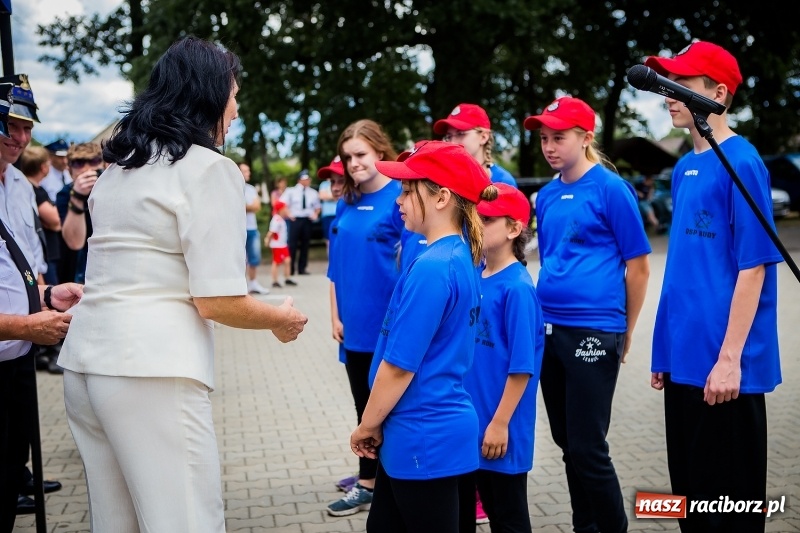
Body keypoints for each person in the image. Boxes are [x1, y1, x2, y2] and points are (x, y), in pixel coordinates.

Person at [57, 36, 308, 532]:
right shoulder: (208, 170)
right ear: (211, 95)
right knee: (187, 520)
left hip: (86, 365)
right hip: (152, 371)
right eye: (234, 95)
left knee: (117, 523)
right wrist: (280, 319)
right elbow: (216, 300)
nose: (237, 109)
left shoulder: (118, 170)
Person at [644, 41, 782, 533]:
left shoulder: (742, 162)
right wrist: (662, 349)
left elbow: (755, 268)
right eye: (666, 83)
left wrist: (729, 359)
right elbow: (682, 269)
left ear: (717, 93)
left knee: (730, 509)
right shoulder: (683, 169)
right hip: (683, 363)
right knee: (691, 505)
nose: (667, 93)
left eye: (681, 83)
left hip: (724, 367)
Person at [349, 140, 496, 533]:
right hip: (428, 432)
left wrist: (367, 424)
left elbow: (399, 366)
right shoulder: (455, 254)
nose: (398, 199)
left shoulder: (433, 267)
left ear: (442, 197)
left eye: (408, 189)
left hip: (424, 435)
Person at [524, 95, 651, 533]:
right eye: (544, 138)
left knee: (588, 447)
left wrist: (627, 330)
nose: (549, 146)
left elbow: (638, 267)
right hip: (549, 329)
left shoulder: (611, 189)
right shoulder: (547, 195)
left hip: (596, 329)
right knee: (568, 445)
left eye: (559, 137)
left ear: (585, 137)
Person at [0, 75, 75, 532]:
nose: (22, 138)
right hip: (14, 342)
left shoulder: (20, 185)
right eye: (10, 125)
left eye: (28, 127)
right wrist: (27, 326)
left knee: (11, 473)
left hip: (17, 362)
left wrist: (49, 295)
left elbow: (22, 266)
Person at [325, 119, 403, 516]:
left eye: (361, 155)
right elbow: (336, 269)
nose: (354, 164)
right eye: (348, 157)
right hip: (352, 327)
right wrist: (335, 315)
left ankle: (381, 485)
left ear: (380, 153)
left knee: (389, 411)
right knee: (363, 407)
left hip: (388, 329)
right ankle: (370, 482)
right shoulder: (346, 202)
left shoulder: (401, 199)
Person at [464, 183, 544, 532]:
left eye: (488, 219)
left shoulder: (518, 287)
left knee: (509, 519)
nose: (477, 224)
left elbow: (522, 368)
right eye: (475, 217)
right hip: (472, 423)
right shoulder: (476, 276)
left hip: (501, 428)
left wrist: (499, 424)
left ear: (514, 228)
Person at [20, 146, 65, 374]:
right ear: (44, 167)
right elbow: (55, 221)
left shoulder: (23, 187)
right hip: (42, 259)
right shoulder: (35, 191)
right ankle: (46, 351)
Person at [434, 103, 517, 187]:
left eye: (461, 134)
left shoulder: (503, 182)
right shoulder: (442, 178)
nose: (452, 142)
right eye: (449, 136)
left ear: (483, 137)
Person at [55, 142, 104, 285]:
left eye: (94, 161)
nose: (87, 168)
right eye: (79, 163)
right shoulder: (65, 194)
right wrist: (78, 196)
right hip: (80, 264)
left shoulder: (113, 188)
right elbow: (75, 242)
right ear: (70, 169)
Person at [280, 169, 320, 275]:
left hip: (307, 219)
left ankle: (302, 268)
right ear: (299, 180)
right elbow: (282, 203)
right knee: (292, 244)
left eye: (308, 179)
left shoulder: (313, 193)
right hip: (295, 219)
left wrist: (315, 214)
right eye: (304, 179)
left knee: (305, 244)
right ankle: (291, 269)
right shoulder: (291, 191)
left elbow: (317, 207)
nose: (307, 181)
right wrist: (289, 214)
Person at [241, 162, 270, 294]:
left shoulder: (251, 188)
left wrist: (242, 206)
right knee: (240, 260)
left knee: (254, 257)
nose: (249, 173)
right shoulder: (231, 186)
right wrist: (248, 206)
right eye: (245, 171)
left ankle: (253, 284)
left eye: (248, 171)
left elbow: (257, 207)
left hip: (252, 228)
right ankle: (242, 286)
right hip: (238, 230)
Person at [265, 200, 296, 288]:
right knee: (276, 262)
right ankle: (274, 280)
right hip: (277, 245)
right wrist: (267, 239)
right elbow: (272, 232)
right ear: (280, 209)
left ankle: (287, 278)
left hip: (283, 244)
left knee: (287, 260)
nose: (287, 209)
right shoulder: (276, 219)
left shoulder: (281, 218)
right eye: (285, 208)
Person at [317, 155, 344, 255]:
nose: (335, 188)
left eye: (342, 181)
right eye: (332, 182)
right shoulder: (336, 220)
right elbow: (322, 196)